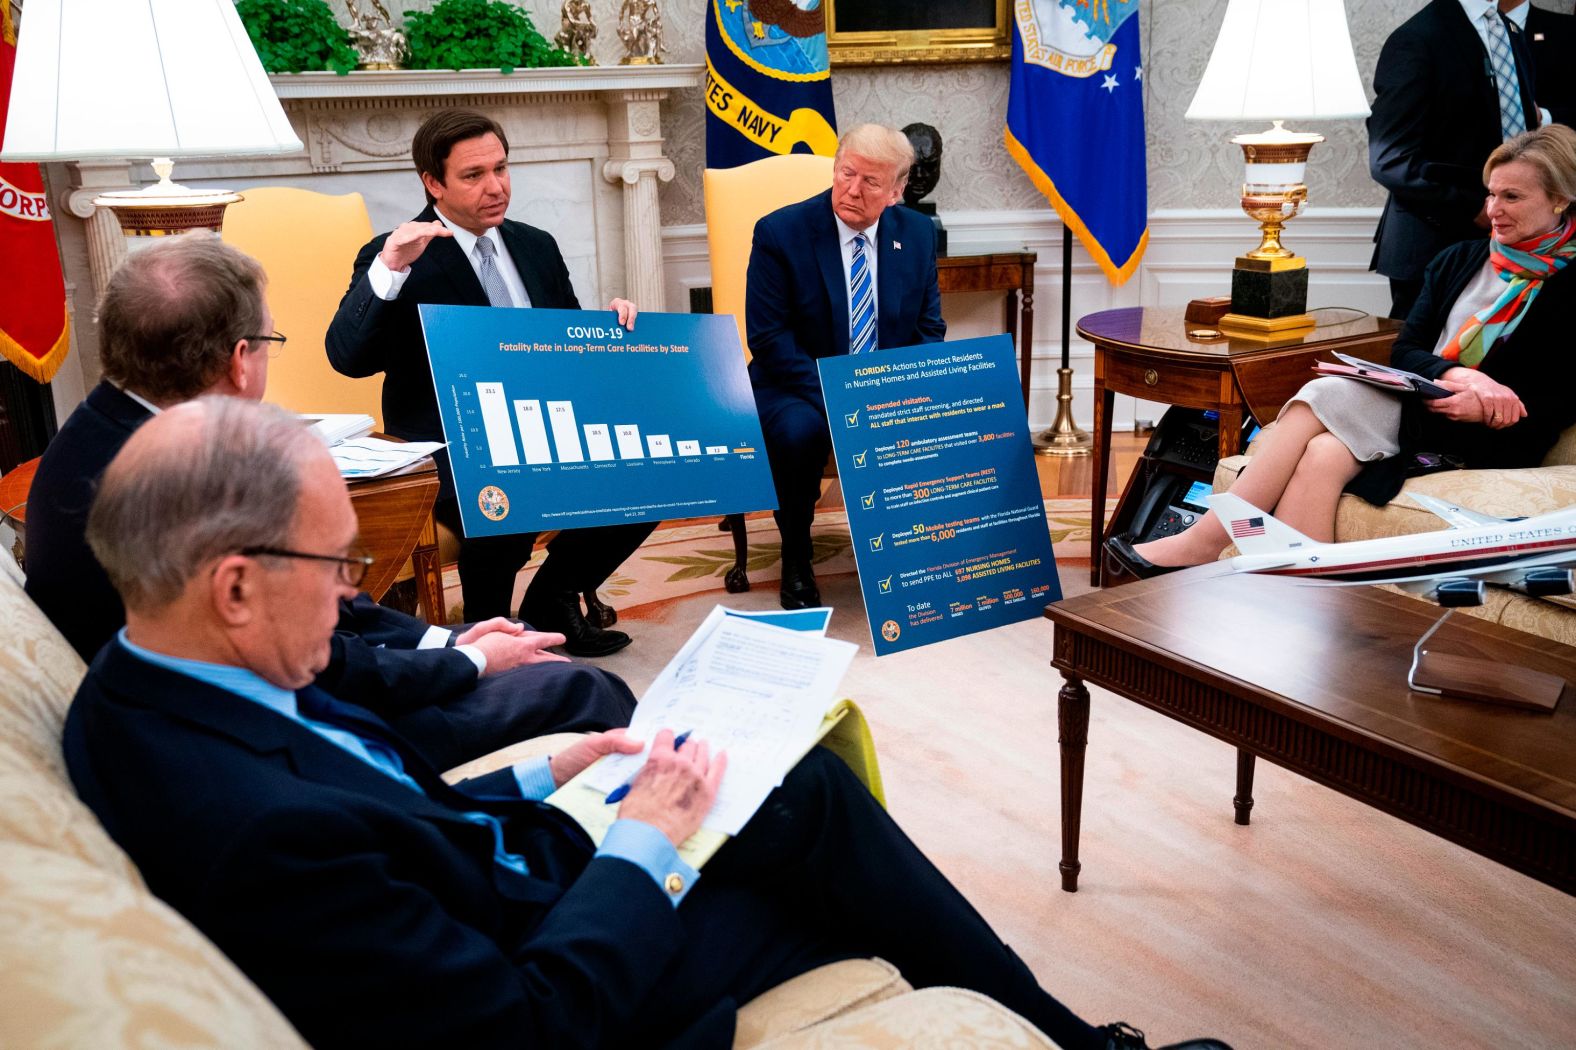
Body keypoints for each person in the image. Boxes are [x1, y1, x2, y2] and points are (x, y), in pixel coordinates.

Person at [64, 394, 1229, 1050]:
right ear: (233, 583)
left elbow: (379, 810)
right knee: (796, 844)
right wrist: (639, 848)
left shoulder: (166, 673)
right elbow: (525, 1031)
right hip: (546, 965)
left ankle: (1070, 1042)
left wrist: (544, 776)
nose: (356, 593)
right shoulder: (252, 830)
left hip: (508, 875)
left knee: (790, 791)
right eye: (340, 565)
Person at [25, 235, 634, 770]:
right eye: (268, 340)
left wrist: (449, 642)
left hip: (264, 684)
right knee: (586, 689)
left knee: (521, 644)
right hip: (277, 724)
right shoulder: (176, 479)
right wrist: (468, 664)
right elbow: (321, 662)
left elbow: (330, 609)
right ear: (240, 361)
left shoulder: (108, 428)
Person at [1108, 125, 1576, 577]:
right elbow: (1408, 350)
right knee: (1324, 453)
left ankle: (1207, 539)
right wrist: (1463, 377)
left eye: (1512, 196)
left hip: (1491, 436)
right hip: (1423, 409)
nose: (1493, 208)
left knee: (1327, 392)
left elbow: (1561, 397)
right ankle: (1309, 604)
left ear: (1560, 198)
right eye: (1491, 194)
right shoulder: (1460, 259)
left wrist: (1488, 406)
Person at [326, 108, 655, 657]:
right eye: (474, 175)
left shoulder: (535, 245)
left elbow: (566, 348)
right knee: (505, 491)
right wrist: (388, 269)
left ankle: (554, 595)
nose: (495, 186)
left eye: (501, 168)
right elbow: (347, 358)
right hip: (453, 441)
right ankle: (487, 634)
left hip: (544, 422)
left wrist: (612, 329)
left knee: (656, 473)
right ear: (434, 183)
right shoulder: (399, 253)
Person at [747, 124, 945, 609]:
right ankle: (797, 552)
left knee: (955, 416)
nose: (852, 190)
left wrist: (892, 393)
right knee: (798, 432)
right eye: (845, 173)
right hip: (795, 383)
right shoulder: (780, 232)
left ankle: (923, 548)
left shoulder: (917, 235)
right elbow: (769, 339)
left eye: (871, 182)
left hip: (881, 385)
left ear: (897, 191)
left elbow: (928, 329)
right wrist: (842, 395)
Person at [1368, 0, 1541, 320]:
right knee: (1425, 365)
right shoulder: (1416, 39)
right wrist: (1474, 208)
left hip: (1511, 246)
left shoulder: (1509, 30)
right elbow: (1390, 159)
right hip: (1434, 249)